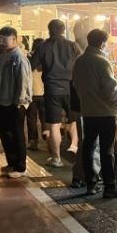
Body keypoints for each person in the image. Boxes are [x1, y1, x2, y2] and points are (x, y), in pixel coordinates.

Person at [72, 29, 117, 198]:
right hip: (105, 113)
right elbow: (111, 89)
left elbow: (76, 85)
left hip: (88, 112)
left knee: (88, 148)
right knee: (107, 150)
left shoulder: (79, 61)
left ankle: (91, 183)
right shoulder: (102, 62)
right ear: (103, 44)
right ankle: (110, 185)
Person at [30, 19, 81, 168]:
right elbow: (81, 63)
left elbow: (31, 66)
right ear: (64, 30)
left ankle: (56, 158)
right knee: (73, 120)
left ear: (49, 30)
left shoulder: (43, 47)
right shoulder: (72, 45)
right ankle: (74, 146)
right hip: (71, 89)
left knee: (54, 125)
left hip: (52, 90)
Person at [0, 27, 32, 178]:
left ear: (14, 39)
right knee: (5, 133)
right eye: (1, 39)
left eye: (6, 39)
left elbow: (23, 82)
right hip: (2, 101)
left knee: (17, 134)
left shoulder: (19, 57)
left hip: (15, 103)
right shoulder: (3, 56)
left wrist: (19, 101)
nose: (2, 42)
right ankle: (11, 162)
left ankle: (21, 167)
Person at [26, 38, 49, 151]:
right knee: (45, 117)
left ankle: (33, 142)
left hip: (31, 93)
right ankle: (48, 138)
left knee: (31, 119)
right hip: (45, 92)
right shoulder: (47, 59)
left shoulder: (28, 60)